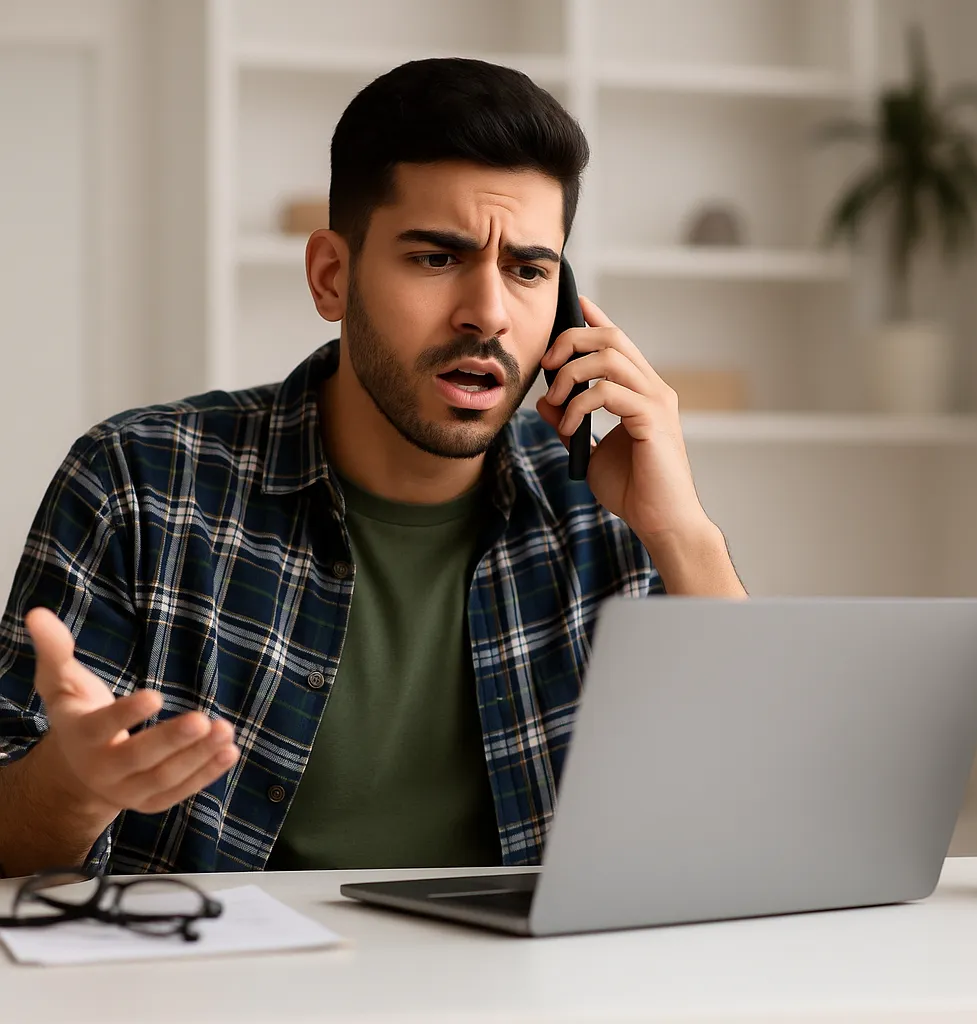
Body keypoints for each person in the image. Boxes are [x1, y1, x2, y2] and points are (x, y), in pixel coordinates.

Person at [0, 58, 745, 880]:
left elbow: (755, 815)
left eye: (528, 270)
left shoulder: (603, 506)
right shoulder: (140, 482)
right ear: (332, 276)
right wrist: (75, 786)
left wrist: (685, 535)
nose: (488, 314)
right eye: (436, 258)